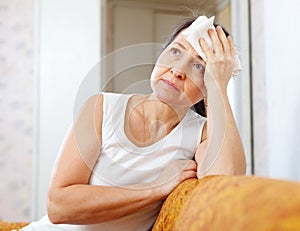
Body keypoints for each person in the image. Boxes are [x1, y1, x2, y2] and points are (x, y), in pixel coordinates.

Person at [21, 15, 246, 231]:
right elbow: (59, 207)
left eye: (199, 66)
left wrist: (218, 85)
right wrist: (155, 188)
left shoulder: (202, 133)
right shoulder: (101, 107)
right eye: (175, 51)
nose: (178, 71)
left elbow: (224, 183)